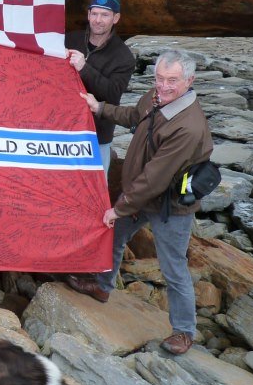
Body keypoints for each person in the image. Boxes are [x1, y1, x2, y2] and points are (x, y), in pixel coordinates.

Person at [66, 49, 214, 355]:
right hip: (141, 193)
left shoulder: (188, 126)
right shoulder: (157, 96)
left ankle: (185, 331)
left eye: (172, 80)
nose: (163, 86)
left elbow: (155, 178)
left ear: (189, 81)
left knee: (173, 267)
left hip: (169, 206)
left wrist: (119, 208)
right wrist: (100, 108)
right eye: (159, 78)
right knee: (115, 236)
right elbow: (134, 116)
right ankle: (103, 286)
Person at [65, 0, 136, 175]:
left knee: (97, 188)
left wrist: (84, 68)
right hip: (64, 127)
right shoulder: (70, 39)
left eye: (105, 15)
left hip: (98, 134)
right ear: (88, 15)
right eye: (94, 13)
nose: (98, 19)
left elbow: (113, 94)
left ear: (116, 18)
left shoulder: (123, 56)